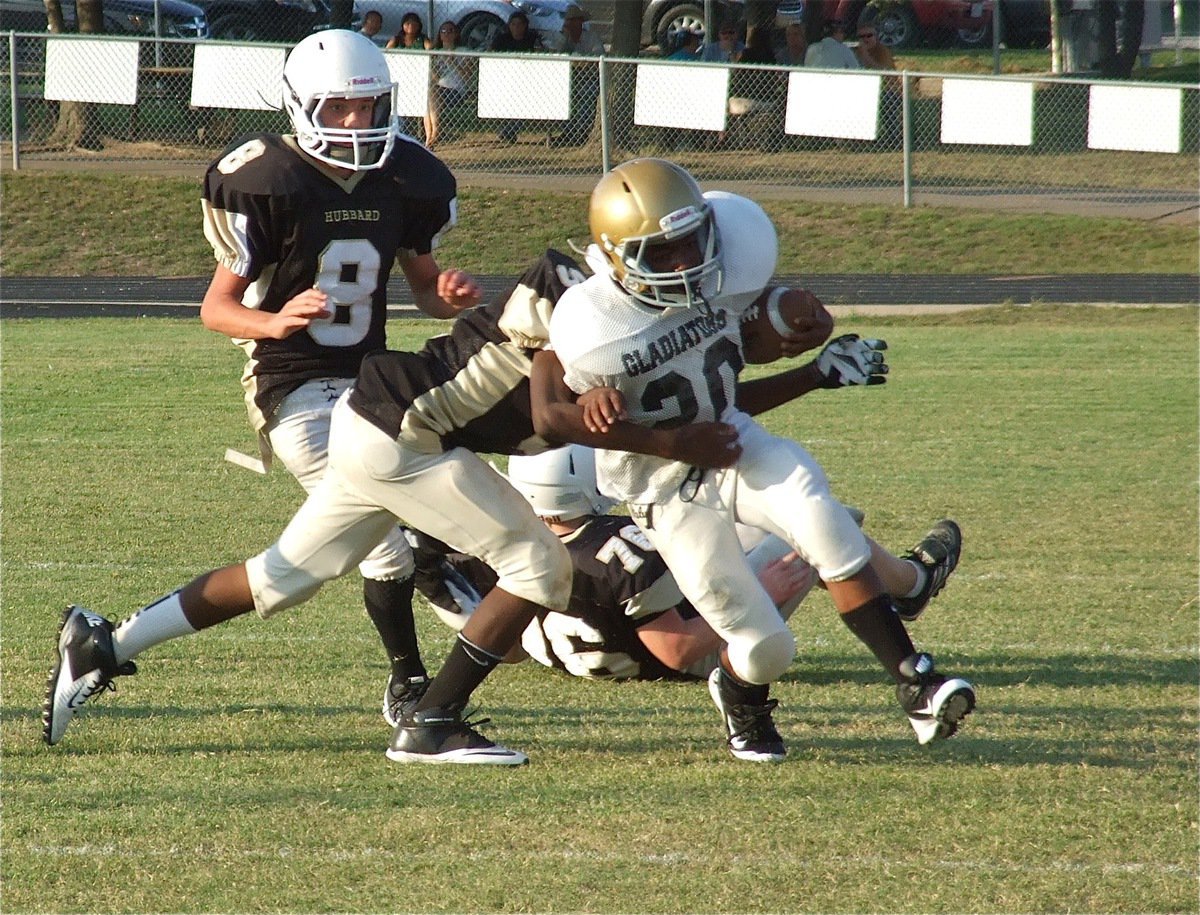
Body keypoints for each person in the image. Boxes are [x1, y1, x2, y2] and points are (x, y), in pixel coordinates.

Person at [67, 30, 481, 745]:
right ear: (301, 106)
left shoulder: (408, 175)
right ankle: (412, 687)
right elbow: (214, 309)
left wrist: (448, 294)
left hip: (371, 382)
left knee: (326, 559)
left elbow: (424, 288)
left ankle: (107, 640)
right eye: (340, 108)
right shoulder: (268, 179)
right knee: (381, 538)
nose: (357, 122)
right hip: (290, 383)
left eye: (369, 105)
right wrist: (275, 318)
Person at [541, 158, 976, 753]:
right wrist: (611, 416)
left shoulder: (727, 270)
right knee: (765, 646)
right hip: (665, 494)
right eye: (661, 253)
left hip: (734, 441)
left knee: (819, 514)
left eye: (692, 241)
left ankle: (914, 683)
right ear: (617, 257)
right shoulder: (596, 328)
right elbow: (552, 410)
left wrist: (795, 323)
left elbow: (742, 344)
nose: (684, 263)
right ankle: (740, 695)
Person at [408, 444, 962, 761]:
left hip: (572, 656)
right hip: (686, 654)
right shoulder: (619, 551)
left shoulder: (508, 538)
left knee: (734, 527)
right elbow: (677, 649)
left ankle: (906, 587)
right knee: (819, 525)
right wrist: (763, 595)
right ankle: (911, 584)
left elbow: (507, 647)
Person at [543, 3, 605, 148]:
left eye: (574, 21)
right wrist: (565, 38)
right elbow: (558, 56)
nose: (570, 24)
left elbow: (598, 59)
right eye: (568, 21)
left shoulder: (591, 38)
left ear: (580, 22)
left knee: (587, 94)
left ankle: (582, 132)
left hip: (590, 78)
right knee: (563, 95)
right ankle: (568, 132)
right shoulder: (564, 38)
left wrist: (581, 62)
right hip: (569, 80)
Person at [489, 10, 542, 144]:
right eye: (513, 24)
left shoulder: (532, 38)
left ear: (525, 26)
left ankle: (509, 130)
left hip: (528, 80)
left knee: (522, 100)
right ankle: (507, 130)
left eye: (519, 24)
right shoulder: (502, 39)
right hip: (505, 79)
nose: (516, 28)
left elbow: (539, 54)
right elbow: (491, 56)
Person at [425, 20, 472, 149]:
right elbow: (435, 78)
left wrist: (452, 61)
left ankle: (434, 133)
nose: (447, 34)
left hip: (455, 91)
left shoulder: (464, 51)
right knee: (427, 97)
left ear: (456, 34)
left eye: (450, 31)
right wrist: (434, 67)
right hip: (438, 89)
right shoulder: (437, 52)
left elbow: (468, 77)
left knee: (430, 95)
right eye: (443, 31)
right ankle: (430, 136)